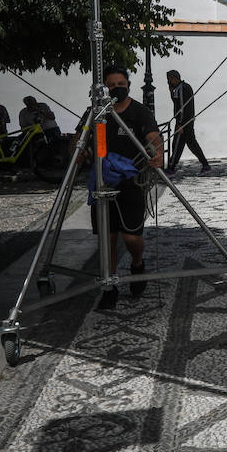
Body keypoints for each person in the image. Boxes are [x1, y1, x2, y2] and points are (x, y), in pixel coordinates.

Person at [76, 65, 163, 308]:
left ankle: (137, 264)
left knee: (131, 237)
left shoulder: (139, 112)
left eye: (120, 84)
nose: (117, 89)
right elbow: (79, 139)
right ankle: (110, 286)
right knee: (108, 237)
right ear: (104, 89)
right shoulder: (95, 113)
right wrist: (79, 152)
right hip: (102, 182)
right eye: (112, 86)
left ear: (128, 85)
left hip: (130, 181)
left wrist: (158, 154)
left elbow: (154, 136)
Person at [166, 70, 210, 175]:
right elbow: (178, 103)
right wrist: (171, 93)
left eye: (169, 79)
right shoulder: (183, 87)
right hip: (188, 121)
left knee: (177, 145)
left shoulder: (181, 89)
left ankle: (171, 168)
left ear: (174, 78)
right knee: (192, 144)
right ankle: (205, 164)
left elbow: (182, 107)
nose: (168, 82)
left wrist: (180, 123)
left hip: (183, 122)